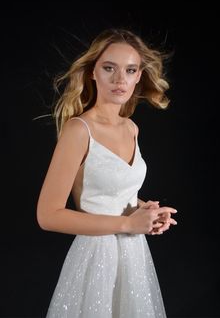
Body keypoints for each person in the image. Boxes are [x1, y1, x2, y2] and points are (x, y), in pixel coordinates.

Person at [36, 28, 178, 318]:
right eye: (109, 68)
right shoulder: (79, 130)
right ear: (92, 72)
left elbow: (114, 193)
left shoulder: (131, 128)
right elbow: (47, 215)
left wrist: (145, 212)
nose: (119, 79)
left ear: (139, 76)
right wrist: (126, 225)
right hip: (96, 257)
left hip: (133, 255)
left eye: (130, 70)